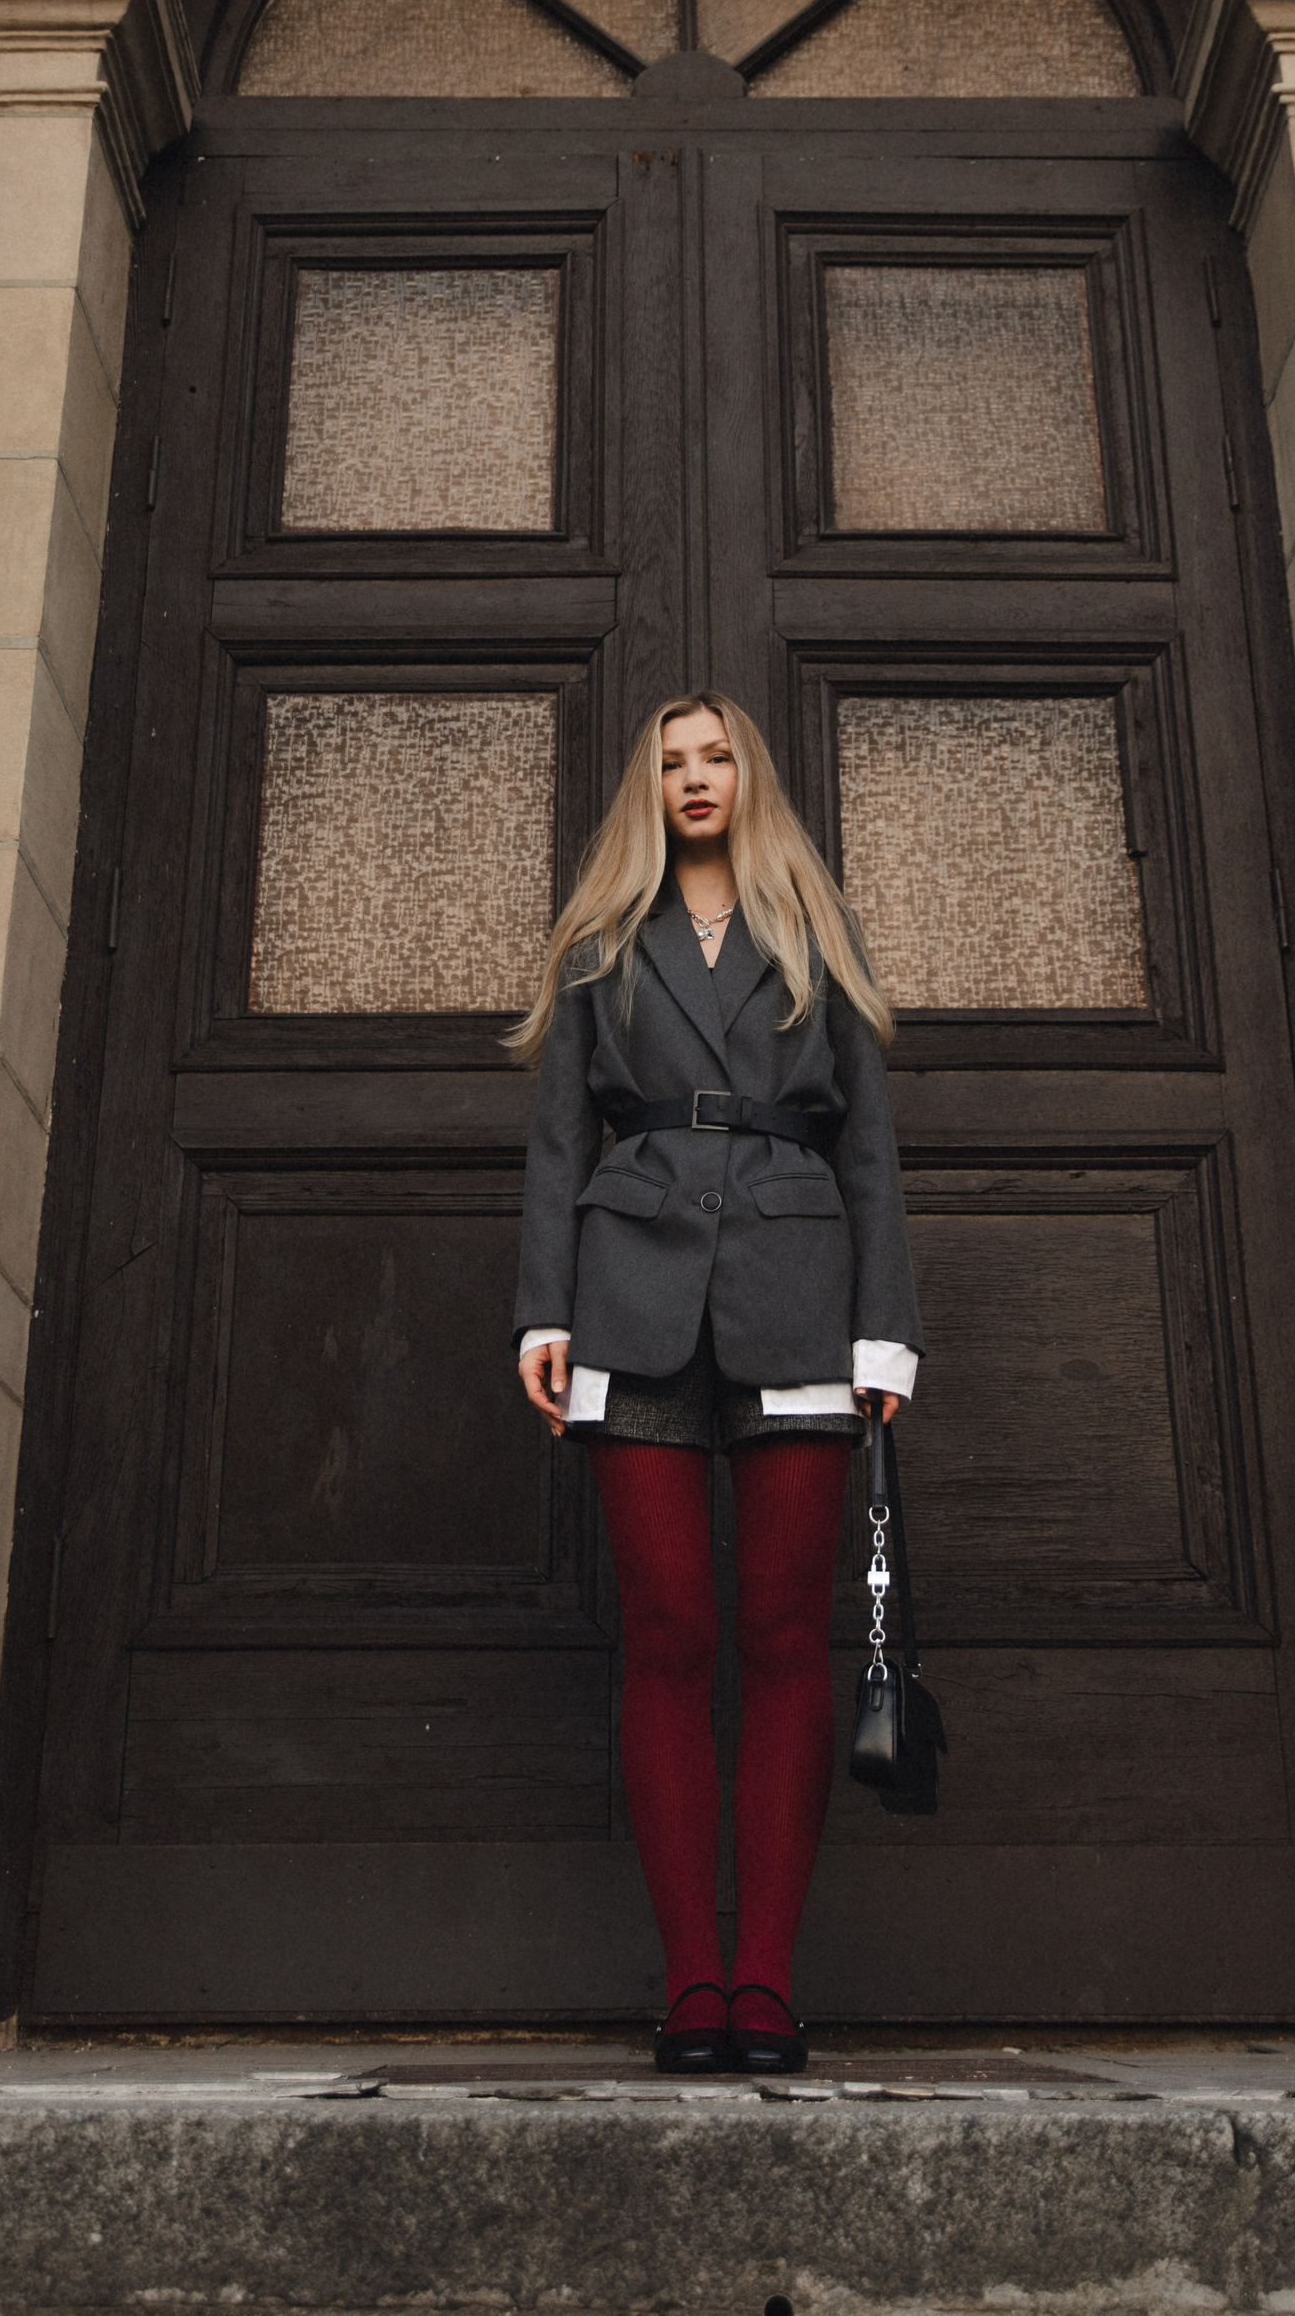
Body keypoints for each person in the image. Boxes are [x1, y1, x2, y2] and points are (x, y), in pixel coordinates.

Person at [509, 693, 922, 2076]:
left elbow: (869, 1148)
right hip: (628, 1295)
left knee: (786, 1637)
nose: (695, 779)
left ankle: (768, 1983)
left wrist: (884, 1332)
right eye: (672, 763)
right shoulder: (599, 941)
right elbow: (558, 1143)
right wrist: (543, 1312)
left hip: (799, 1297)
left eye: (717, 757)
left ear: (751, 775)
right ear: (650, 787)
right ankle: (694, 1981)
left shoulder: (815, 929)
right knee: (672, 1633)